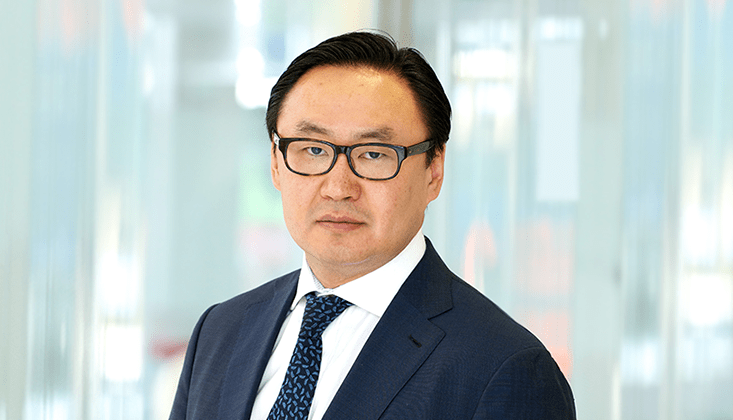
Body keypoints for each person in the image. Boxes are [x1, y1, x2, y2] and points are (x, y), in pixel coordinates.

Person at [169, 31, 576, 420]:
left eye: (374, 154)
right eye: (313, 150)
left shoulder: (505, 369)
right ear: (276, 163)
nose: (338, 188)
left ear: (434, 170)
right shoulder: (220, 332)